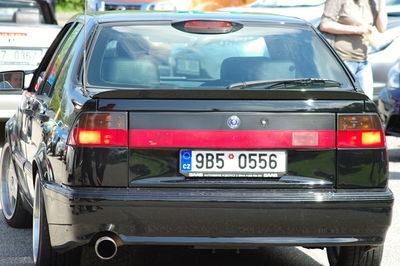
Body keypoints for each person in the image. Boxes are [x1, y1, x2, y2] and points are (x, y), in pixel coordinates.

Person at [319, 0, 387, 99]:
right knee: (342, 101)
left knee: (367, 102)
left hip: (363, 61)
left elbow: (382, 28)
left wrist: (382, 3)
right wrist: (356, 30)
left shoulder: (370, 2)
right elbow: (325, 25)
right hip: (342, 60)